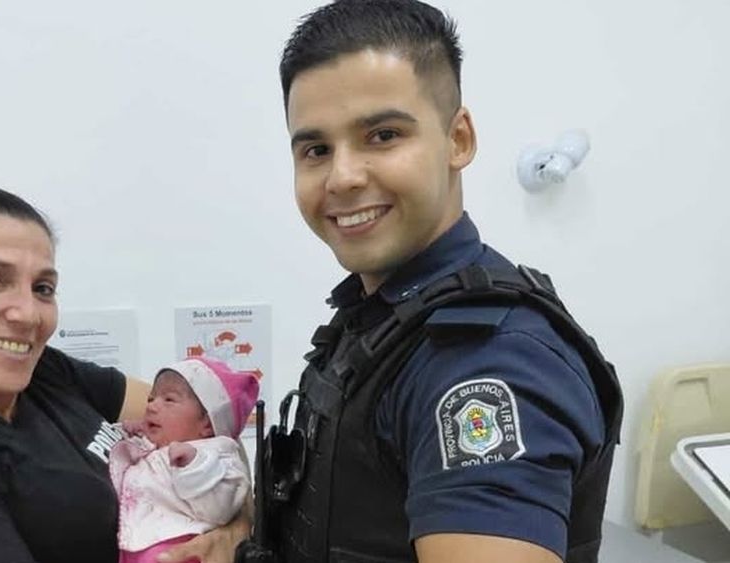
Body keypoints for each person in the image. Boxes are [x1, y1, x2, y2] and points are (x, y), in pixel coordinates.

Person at [244, 1, 624, 562]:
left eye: (383, 135)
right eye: (317, 149)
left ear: (458, 139)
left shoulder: (487, 365)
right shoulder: (385, 318)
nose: (343, 177)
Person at [0, 185, 247, 563]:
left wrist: (235, 531)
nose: (28, 314)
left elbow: (210, 426)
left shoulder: (44, 373)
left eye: (43, 288)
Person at [110, 356, 259, 563]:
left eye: (169, 399)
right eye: (151, 399)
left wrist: (196, 467)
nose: (152, 407)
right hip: (136, 547)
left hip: (181, 548)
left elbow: (223, 508)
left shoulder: (215, 455)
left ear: (207, 423)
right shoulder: (157, 446)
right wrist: (135, 436)